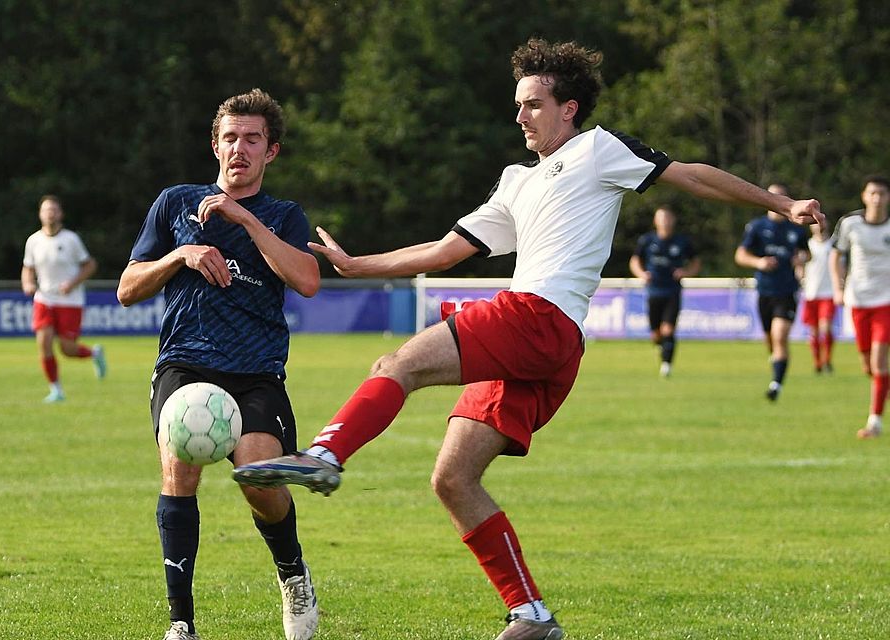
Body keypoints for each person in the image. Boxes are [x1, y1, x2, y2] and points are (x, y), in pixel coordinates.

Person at [231, 39, 823, 640]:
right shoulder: (516, 181)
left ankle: (325, 455)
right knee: (453, 478)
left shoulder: (599, 149)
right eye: (518, 104)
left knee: (400, 362)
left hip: (539, 316)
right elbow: (445, 250)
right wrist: (358, 264)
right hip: (547, 349)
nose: (520, 116)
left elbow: (692, 175)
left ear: (568, 109)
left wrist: (781, 203)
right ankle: (530, 613)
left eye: (533, 104)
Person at [116, 90, 321, 640]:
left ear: (270, 151)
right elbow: (126, 289)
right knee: (179, 470)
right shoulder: (175, 202)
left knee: (259, 477)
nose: (240, 148)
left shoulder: (283, 215)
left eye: (252, 139)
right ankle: (181, 623)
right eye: (230, 138)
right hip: (185, 363)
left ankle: (292, 572)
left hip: (256, 372)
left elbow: (307, 280)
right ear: (215, 144)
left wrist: (245, 221)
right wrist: (179, 255)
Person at [21, 194, 107, 403]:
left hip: (70, 301)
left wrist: (72, 283)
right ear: (40, 214)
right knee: (44, 342)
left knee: (67, 349)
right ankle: (56, 390)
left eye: (53, 210)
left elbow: (90, 265)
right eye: (46, 210)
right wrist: (28, 283)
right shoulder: (33, 241)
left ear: (60, 213)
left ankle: (94, 354)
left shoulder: (71, 240)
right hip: (44, 299)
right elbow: (28, 268)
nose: (50, 213)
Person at [734, 184, 810, 401]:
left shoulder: (795, 229)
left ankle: (776, 385)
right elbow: (740, 255)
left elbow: (806, 254)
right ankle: (777, 363)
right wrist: (759, 262)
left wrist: (802, 260)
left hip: (786, 291)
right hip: (765, 291)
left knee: (780, 336)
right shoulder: (757, 227)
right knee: (771, 340)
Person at [829, 175, 890, 439]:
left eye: (882, 194)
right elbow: (836, 255)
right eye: (872, 193)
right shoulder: (850, 223)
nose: (877, 198)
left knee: (878, 361)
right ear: (864, 196)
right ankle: (881, 388)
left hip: (886, 301)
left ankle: (874, 423)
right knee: (868, 365)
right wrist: (838, 288)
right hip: (858, 300)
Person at [628, 205, 701, 377]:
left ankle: (666, 365)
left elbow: (696, 262)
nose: (665, 222)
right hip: (653, 291)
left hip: (672, 291)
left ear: (673, 220)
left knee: (668, 329)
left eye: (667, 218)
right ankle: (663, 347)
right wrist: (641, 274)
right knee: (656, 334)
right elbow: (635, 261)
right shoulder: (647, 240)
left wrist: (686, 272)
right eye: (661, 218)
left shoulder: (681, 241)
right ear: (655, 221)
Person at [801, 220, 836, 373]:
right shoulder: (807, 245)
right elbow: (800, 266)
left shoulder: (834, 244)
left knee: (825, 327)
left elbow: (840, 265)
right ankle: (817, 363)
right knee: (814, 331)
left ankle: (827, 359)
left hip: (828, 293)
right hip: (811, 294)